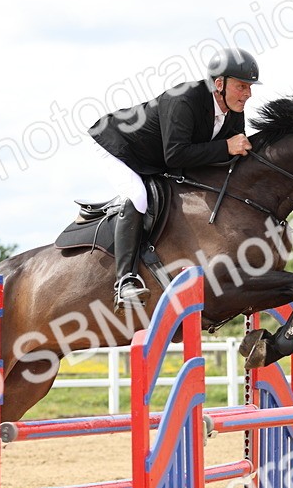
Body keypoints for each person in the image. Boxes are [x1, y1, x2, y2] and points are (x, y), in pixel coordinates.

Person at [89, 48, 260, 310]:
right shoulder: (186, 99)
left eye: (249, 87)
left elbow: (230, 156)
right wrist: (227, 146)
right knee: (137, 196)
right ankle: (125, 281)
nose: (248, 94)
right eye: (241, 86)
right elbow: (176, 155)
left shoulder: (233, 111)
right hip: (119, 146)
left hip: (155, 158)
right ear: (219, 84)